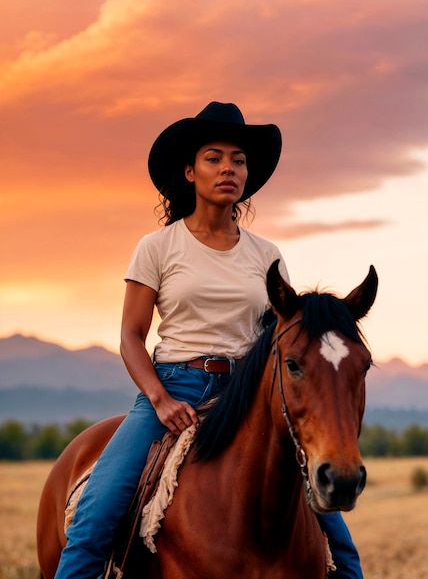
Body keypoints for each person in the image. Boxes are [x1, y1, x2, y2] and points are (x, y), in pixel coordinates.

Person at [54, 101, 363, 579]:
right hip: (174, 389)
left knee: (339, 543)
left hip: (248, 392)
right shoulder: (157, 247)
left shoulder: (267, 254)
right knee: (95, 516)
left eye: (238, 160)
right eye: (214, 157)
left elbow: (282, 336)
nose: (228, 169)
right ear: (190, 171)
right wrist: (158, 399)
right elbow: (131, 336)